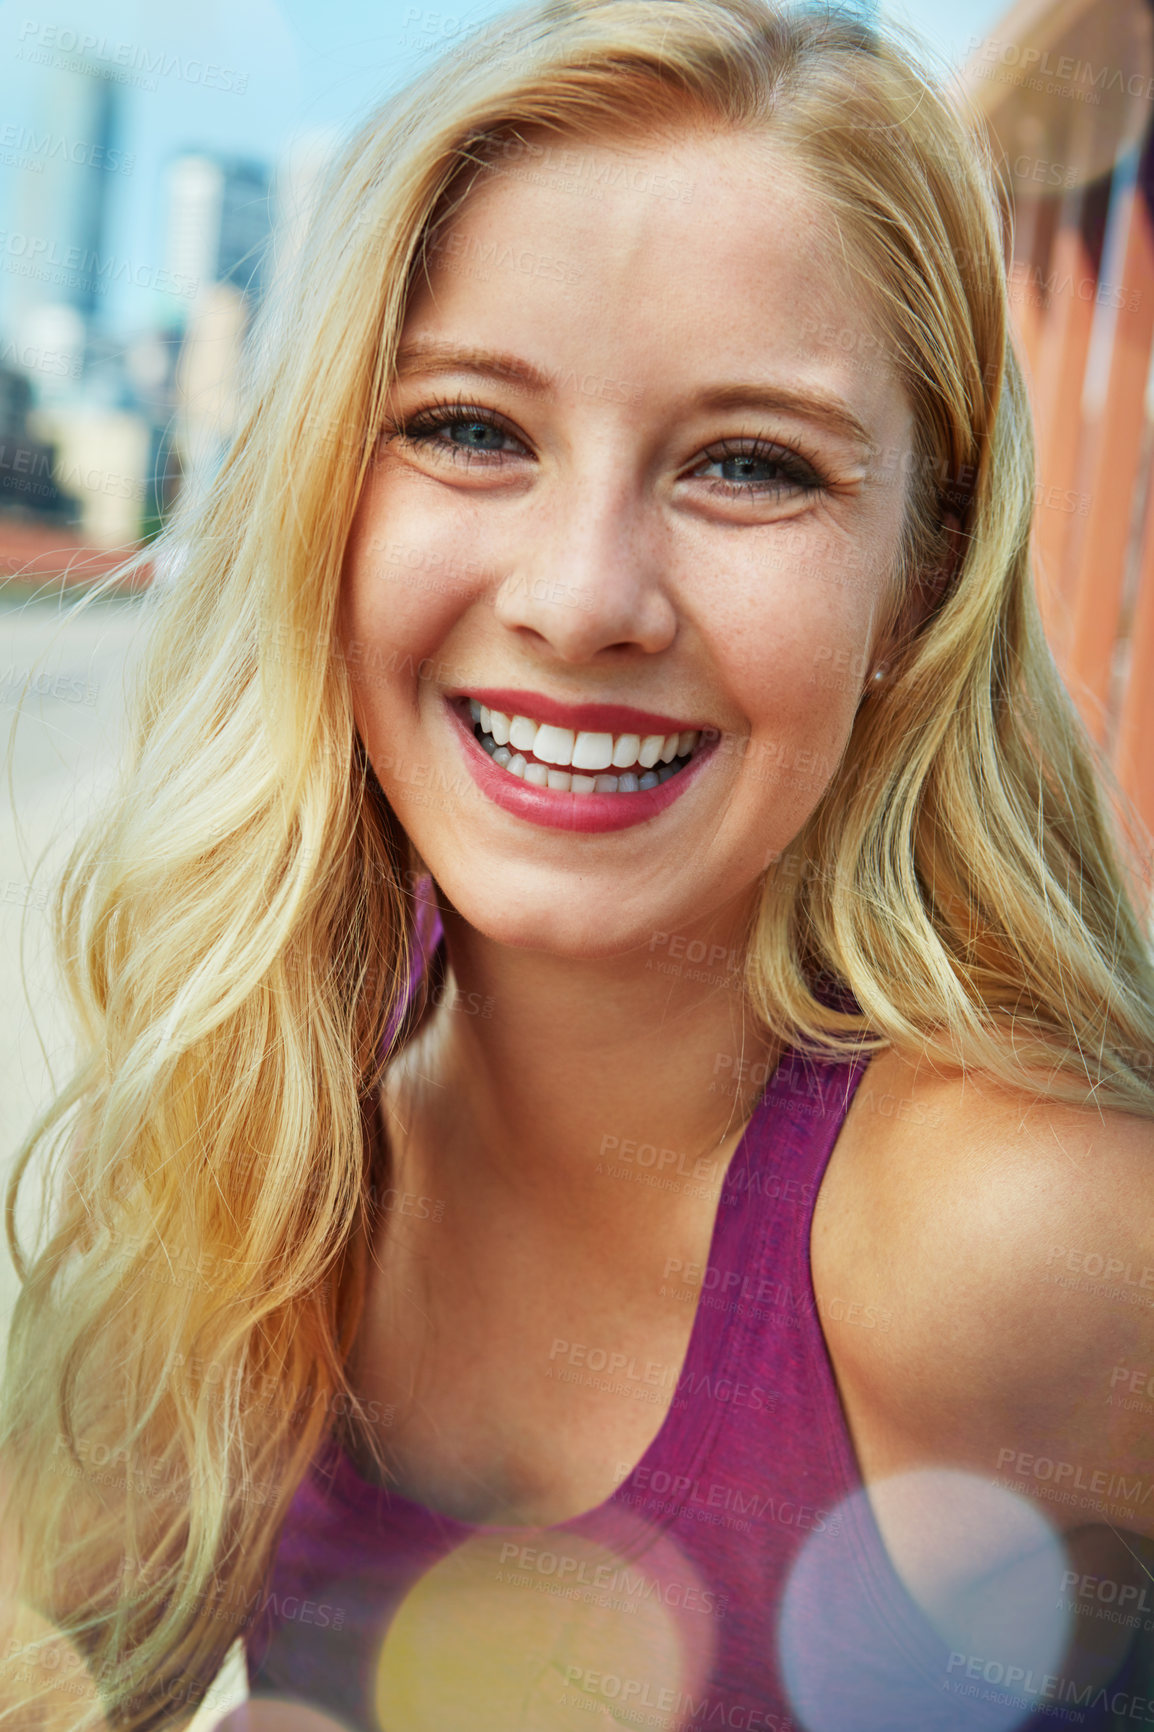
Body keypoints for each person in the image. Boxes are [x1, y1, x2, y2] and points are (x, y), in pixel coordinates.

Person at [3, 0, 1154, 1728]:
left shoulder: (1025, 1240)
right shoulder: (259, 1125)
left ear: (916, 583)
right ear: (330, 485)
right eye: (470, 429)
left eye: (750, 463)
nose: (578, 595)